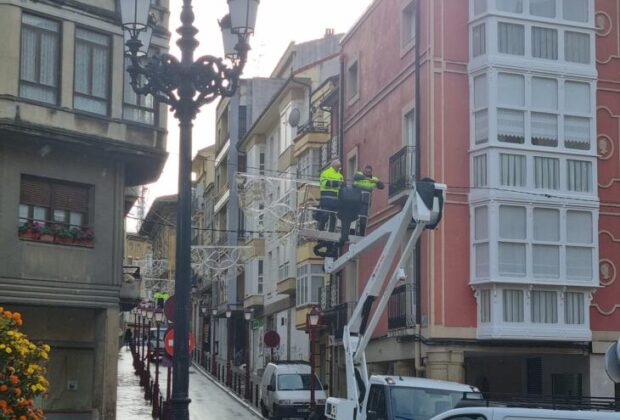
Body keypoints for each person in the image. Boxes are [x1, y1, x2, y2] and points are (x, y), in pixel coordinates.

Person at [353, 165, 384, 236]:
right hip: (356, 200)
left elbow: (382, 186)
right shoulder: (359, 174)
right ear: (364, 171)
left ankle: (361, 234)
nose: (367, 173)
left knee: (363, 219)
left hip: (365, 202)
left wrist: (378, 182)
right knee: (353, 217)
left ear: (371, 172)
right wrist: (365, 178)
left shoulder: (374, 179)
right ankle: (352, 232)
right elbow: (355, 177)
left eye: (369, 172)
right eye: (366, 172)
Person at [317, 159, 344, 232]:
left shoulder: (340, 176)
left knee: (334, 216)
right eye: (338, 167)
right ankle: (321, 228)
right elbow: (324, 183)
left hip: (336, 200)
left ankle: (331, 231)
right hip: (326, 198)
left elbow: (341, 188)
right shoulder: (325, 173)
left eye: (339, 166)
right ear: (334, 166)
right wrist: (336, 183)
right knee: (325, 215)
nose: (339, 168)